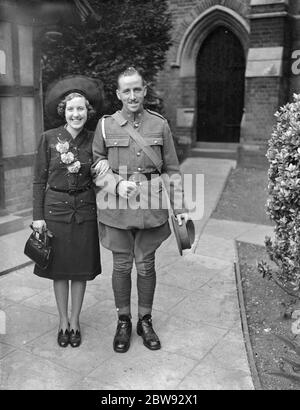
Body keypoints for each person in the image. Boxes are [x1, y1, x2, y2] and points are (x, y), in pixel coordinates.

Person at [92, 67, 189, 353]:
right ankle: (123, 320)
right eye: (127, 90)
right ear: (118, 94)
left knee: (146, 265)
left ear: (145, 90)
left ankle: (145, 320)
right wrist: (114, 184)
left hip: (151, 206)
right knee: (122, 265)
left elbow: (171, 168)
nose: (132, 95)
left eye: (137, 89)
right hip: (117, 207)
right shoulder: (105, 125)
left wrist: (180, 206)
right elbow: (96, 163)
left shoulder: (159, 124)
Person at [32, 76, 108, 348]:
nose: (76, 114)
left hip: (85, 211)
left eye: (81, 109)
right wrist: (37, 217)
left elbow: (103, 171)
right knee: (59, 270)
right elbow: (39, 180)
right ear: (63, 111)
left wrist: (105, 167)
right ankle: (62, 321)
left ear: (89, 112)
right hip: (55, 211)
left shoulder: (95, 140)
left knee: (79, 270)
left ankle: (75, 321)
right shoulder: (48, 138)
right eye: (71, 109)